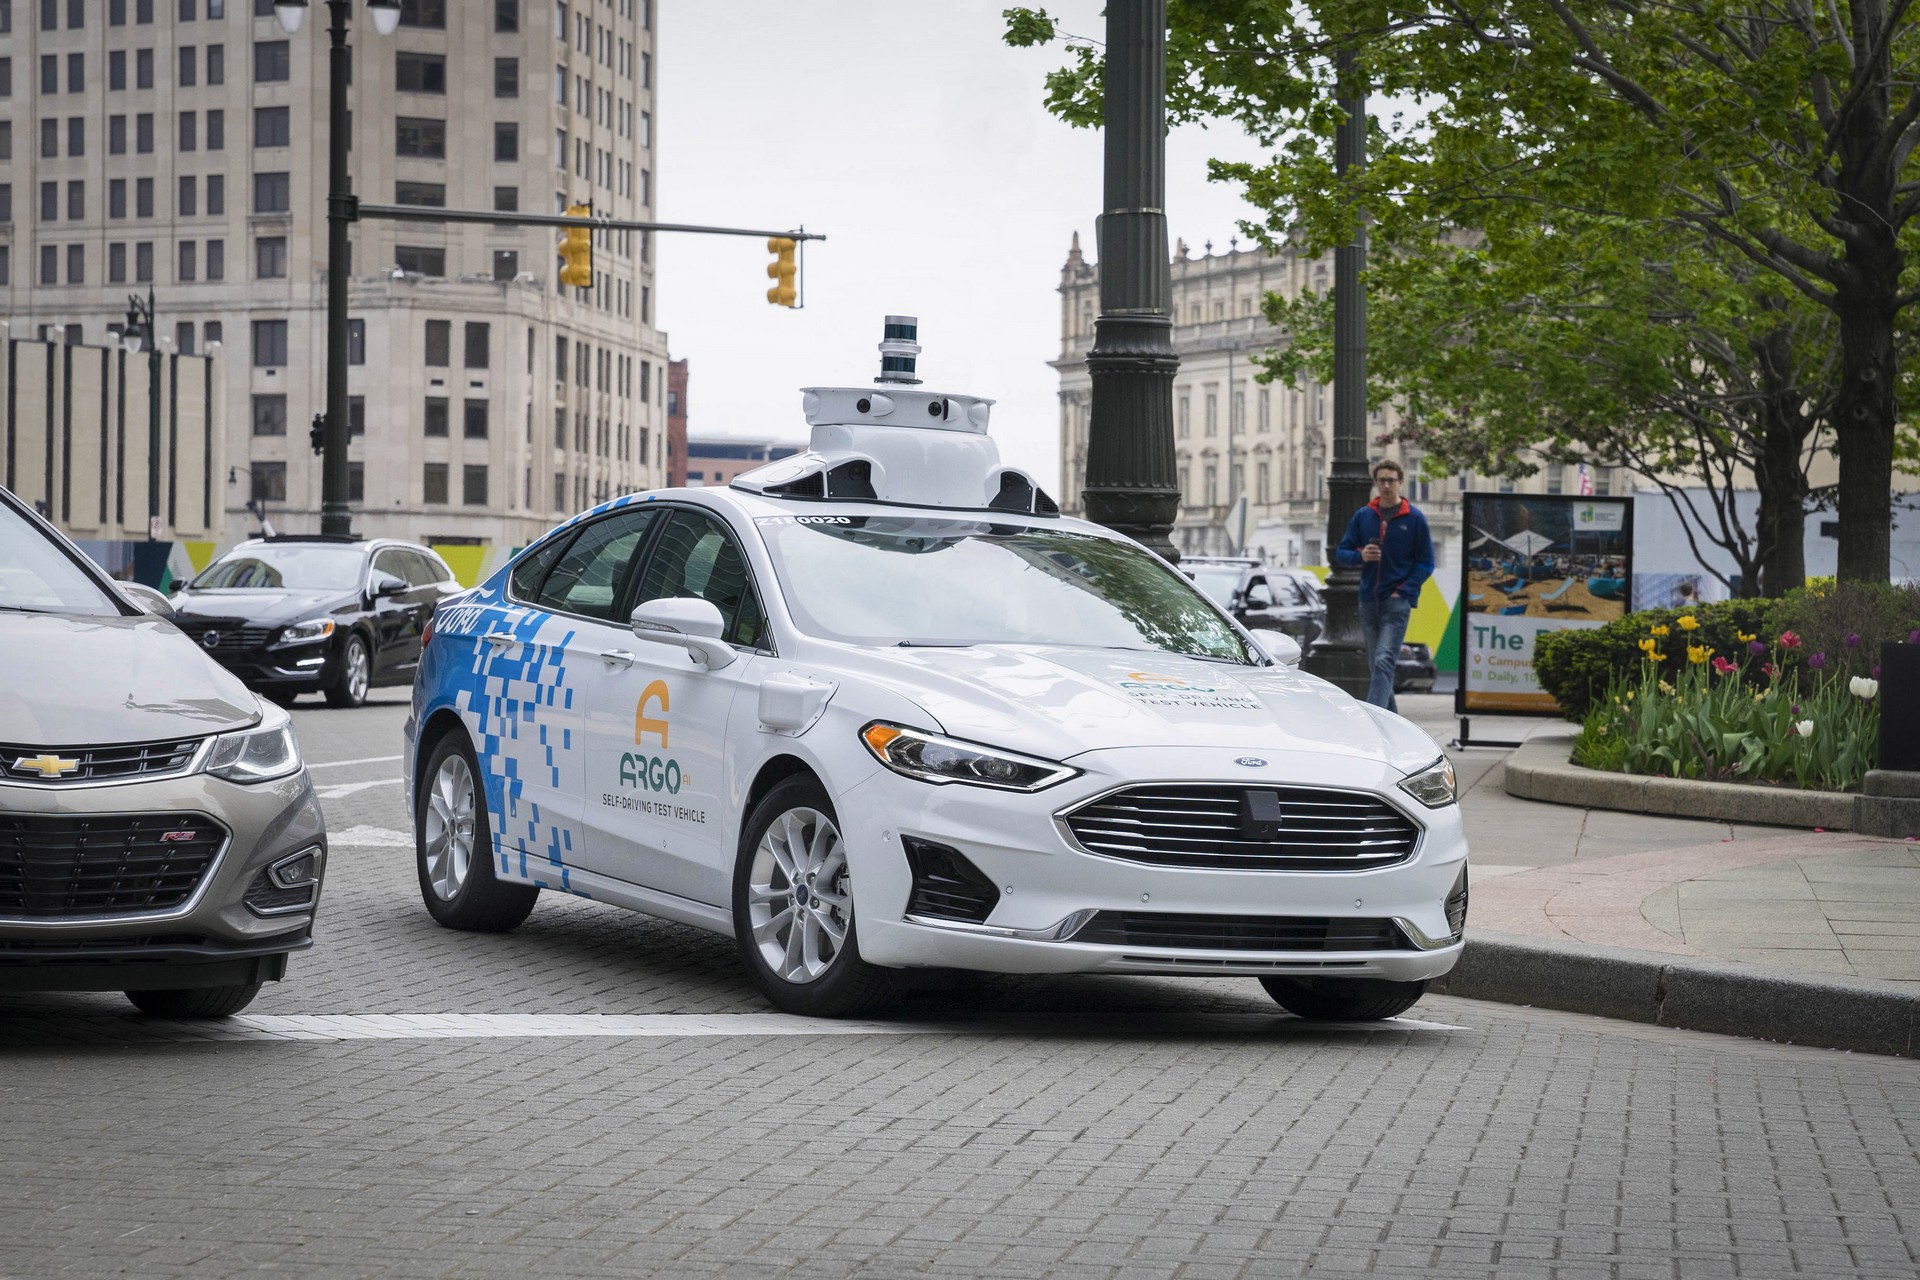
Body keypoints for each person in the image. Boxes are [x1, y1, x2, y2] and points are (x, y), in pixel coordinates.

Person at [1335, 459, 1436, 711]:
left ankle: (1373, 718)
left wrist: (1403, 591)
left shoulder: (1414, 519)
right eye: (1382, 481)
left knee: (1383, 660)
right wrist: (1361, 555)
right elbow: (1341, 553)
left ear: (1400, 482)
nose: (1387, 485)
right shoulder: (1364, 516)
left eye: (1392, 480)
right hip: (1368, 600)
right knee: (1377, 665)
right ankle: (1394, 723)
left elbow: (1426, 563)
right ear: (1376, 484)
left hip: (1396, 601)